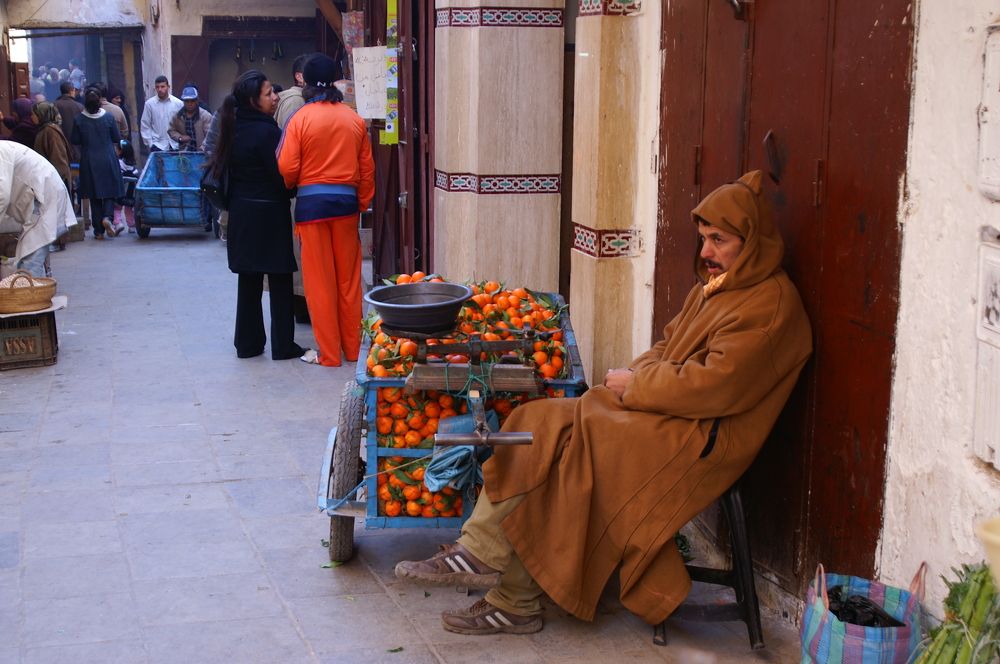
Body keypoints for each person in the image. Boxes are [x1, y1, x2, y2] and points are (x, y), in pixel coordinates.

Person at [394, 171, 813, 636]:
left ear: (751, 241)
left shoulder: (771, 305)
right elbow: (666, 345)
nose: (707, 252)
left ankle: (514, 598)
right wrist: (640, 378)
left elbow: (714, 387)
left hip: (703, 435)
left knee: (577, 446)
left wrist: (636, 385)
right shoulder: (718, 287)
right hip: (666, 410)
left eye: (719, 240)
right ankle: (480, 550)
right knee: (534, 421)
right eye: (703, 238)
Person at [277, 54, 374, 367]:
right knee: (348, 280)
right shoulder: (353, 119)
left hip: (311, 208)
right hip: (346, 208)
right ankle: (351, 349)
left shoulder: (301, 118)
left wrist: (299, 183)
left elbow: (287, 167)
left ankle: (329, 354)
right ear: (335, 80)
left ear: (304, 80)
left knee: (319, 282)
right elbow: (367, 171)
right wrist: (360, 203)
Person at [207, 69, 308, 360]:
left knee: (249, 280)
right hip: (268, 213)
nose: (275, 97)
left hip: (241, 212)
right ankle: (283, 345)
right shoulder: (267, 131)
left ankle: (248, 344)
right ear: (254, 100)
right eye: (268, 93)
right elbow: (280, 177)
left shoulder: (232, 126)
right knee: (279, 279)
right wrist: (290, 189)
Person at [0, 141, 77, 276]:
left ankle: (33, 294)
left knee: (30, 262)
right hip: (39, 196)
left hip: (42, 197)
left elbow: (2, 195)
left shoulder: (1, 151)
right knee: (28, 260)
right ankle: (35, 291)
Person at [71, 87, 125, 239]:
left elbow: (74, 139)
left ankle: (98, 231)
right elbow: (116, 137)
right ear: (100, 102)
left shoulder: (79, 119)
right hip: (107, 157)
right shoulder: (108, 117)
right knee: (109, 191)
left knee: (93, 194)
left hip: (89, 159)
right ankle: (107, 217)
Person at [31, 102, 72, 191]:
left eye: (34, 114)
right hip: (50, 179)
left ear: (42, 115)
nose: (32, 117)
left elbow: (58, 159)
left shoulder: (51, 131)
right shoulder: (44, 129)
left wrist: (55, 182)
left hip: (56, 182)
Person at [139, 75, 182, 152]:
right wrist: (150, 144)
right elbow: (145, 125)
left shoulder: (178, 103)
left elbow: (182, 124)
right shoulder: (149, 104)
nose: (160, 89)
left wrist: (181, 141)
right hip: (158, 145)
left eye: (162, 86)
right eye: (157, 87)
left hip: (175, 145)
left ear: (168, 87)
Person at [168, 86, 212, 151]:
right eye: (187, 101)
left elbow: (210, 135)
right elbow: (171, 130)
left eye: (192, 101)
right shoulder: (177, 116)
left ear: (197, 101)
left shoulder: (205, 116)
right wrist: (180, 137)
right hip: (184, 153)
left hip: (202, 153)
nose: (190, 104)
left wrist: (203, 148)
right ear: (183, 101)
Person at [274, 53, 310, 130]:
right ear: (299, 77)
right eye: (312, 73)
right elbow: (291, 134)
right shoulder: (295, 100)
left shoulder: (301, 97)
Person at [114, 140, 139, 234]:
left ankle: (118, 223)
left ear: (120, 151)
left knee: (117, 208)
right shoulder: (132, 165)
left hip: (120, 191)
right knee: (129, 209)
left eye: (116, 149)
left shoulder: (118, 163)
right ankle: (131, 225)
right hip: (130, 193)